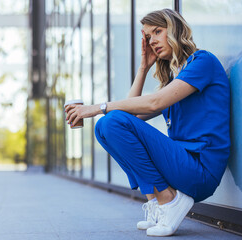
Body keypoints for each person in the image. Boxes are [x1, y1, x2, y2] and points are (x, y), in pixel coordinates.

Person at [65, 8, 230, 237]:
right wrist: (143, 67)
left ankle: (168, 200)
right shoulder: (175, 79)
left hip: (200, 170)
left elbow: (154, 102)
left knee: (109, 120)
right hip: (182, 165)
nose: (152, 40)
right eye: (148, 36)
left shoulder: (203, 62)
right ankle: (156, 201)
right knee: (105, 127)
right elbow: (126, 117)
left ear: (175, 29)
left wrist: (97, 107)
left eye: (158, 32)